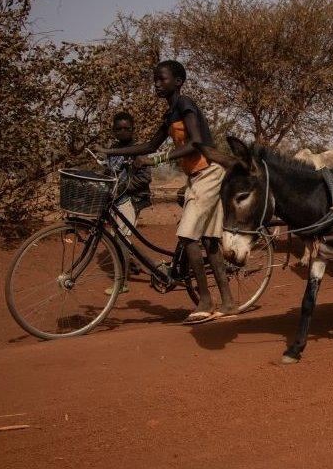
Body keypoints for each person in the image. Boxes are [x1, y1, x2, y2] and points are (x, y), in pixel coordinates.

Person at [97, 60, 235, 324]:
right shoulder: (170, 114)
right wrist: (111, 151)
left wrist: (156, 161)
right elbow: (149, 145)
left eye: (162, 79)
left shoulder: (185, 104)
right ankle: (228, 301)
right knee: (209, 240)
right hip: (197, 176)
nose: (157, 84)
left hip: (209, 172)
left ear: (178, 82)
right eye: (155, 80)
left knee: (188, 235)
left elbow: (195, 143)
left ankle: (206, 300)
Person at [105, 111, 153, 293]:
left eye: (127, 128)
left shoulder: (139, 150)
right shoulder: (112, 151)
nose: (123, 132)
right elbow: (109, 173)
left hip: (130, 200)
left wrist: (123, 188)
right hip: (114, 201)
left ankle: (122, 282)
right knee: (118, 238)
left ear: (133, 130)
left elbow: (145, 178)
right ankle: (147, 266)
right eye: (119, 129)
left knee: (122, 240)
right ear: (114, 131)